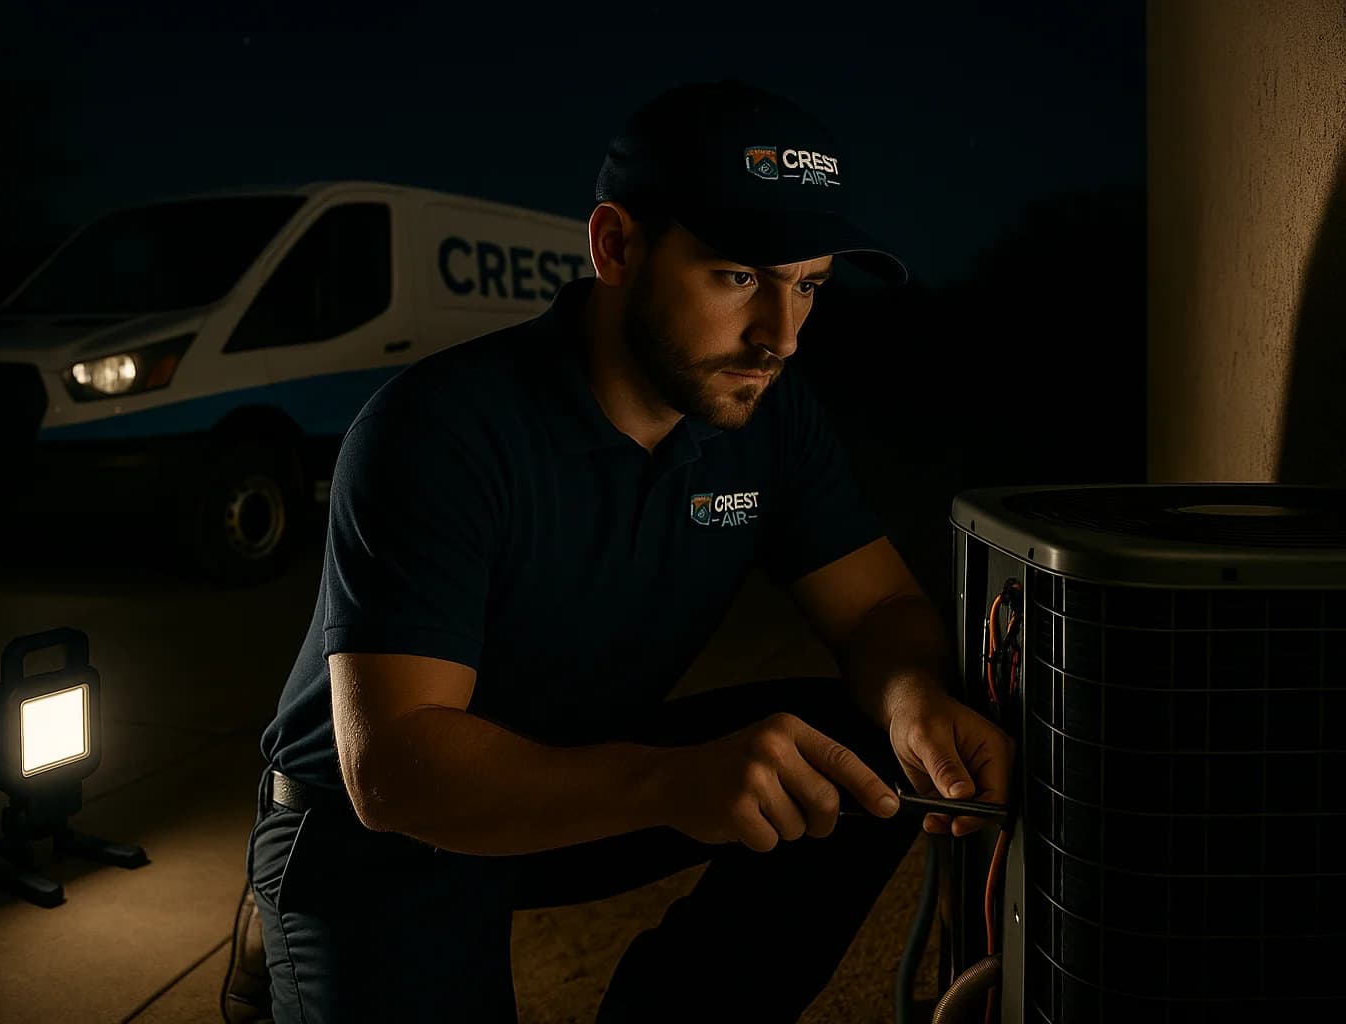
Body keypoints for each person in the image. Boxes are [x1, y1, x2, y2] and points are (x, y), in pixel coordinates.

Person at [234, 79, 1016, 1023]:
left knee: (856, 750)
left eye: (807, 284)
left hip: (584, 775)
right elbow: (394, 768)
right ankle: (281, 940)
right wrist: (671, 782)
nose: (780, 336)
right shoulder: (436, 430)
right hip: (380, 831)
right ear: (614, 246)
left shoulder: (766, 414)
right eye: (738, 277)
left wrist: (911, 698)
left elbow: (879, 609)